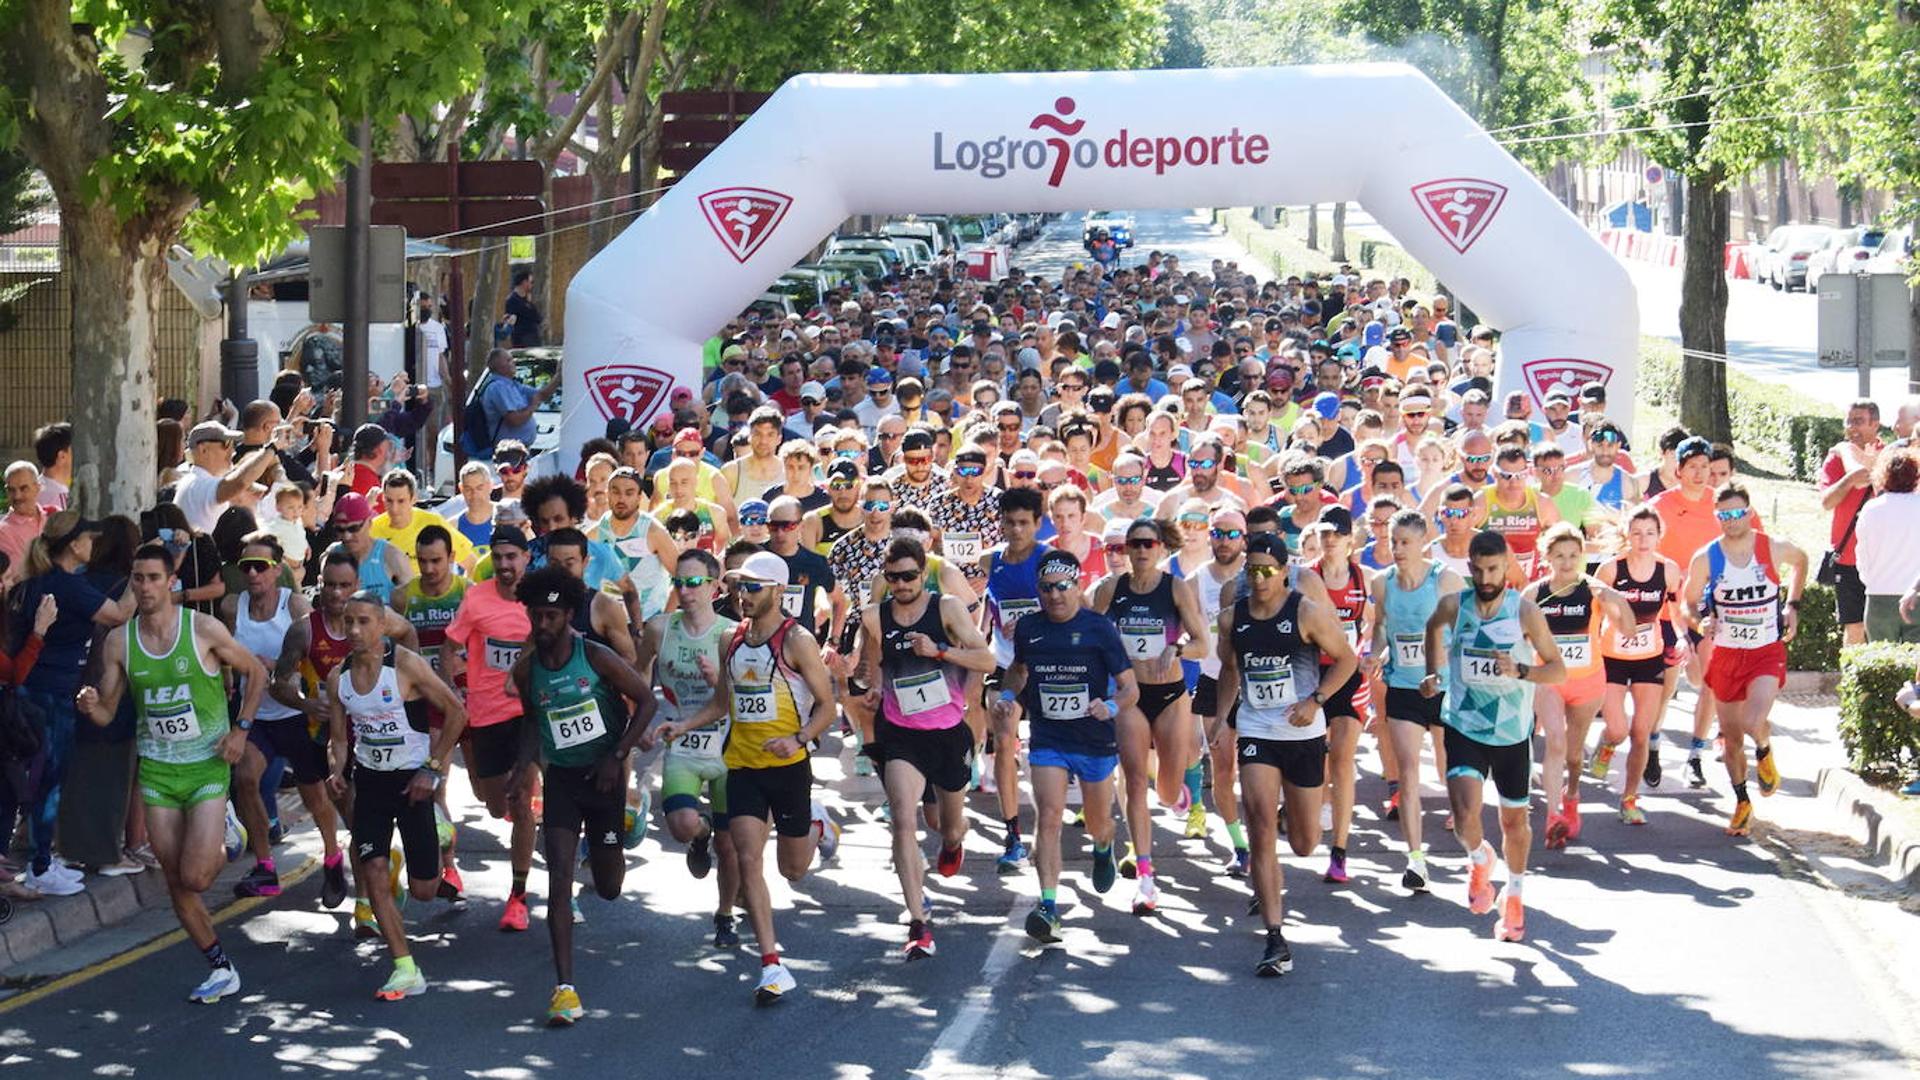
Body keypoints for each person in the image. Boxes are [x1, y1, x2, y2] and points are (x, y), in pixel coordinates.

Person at [75, 540, 269, 1003]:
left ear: (171, 583)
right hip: (158, 772)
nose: (144, 587)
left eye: (153, 578)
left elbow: (256, 673)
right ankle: (220, 967)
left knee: (199, 876)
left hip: (205, 766)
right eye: (137, 579)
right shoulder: (121, 641)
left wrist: (241, 730)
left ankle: (227, 827)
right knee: (177, 880)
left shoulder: (202, 629)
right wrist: (90, 705)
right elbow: (107, 711)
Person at [653, 551, 840, 1004]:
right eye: (739, 586)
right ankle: (771, 964)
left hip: (789, 768)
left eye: (753, 588)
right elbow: (722, 702)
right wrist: (684, 725)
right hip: (742, 767)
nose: (743, 595)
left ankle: (818, 825)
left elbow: (828, 707)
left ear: (778, 591)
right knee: (747, 858)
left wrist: (799, 739)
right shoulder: (730, 640)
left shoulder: (796, 641)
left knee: (792, 869)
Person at [508, 565, 656, 1024]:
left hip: (605, 778)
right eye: (537, 616)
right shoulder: (527, 669)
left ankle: (627, 823)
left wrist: (619, 754)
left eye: (552, 616)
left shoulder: (594, 657)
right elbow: (534, 720)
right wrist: (521, 767)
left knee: (609, 887)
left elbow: (646, 700)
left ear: (569, 615)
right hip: (564, 782)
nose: (543, 624)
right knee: (558, 879)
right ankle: (564, 988)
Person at [1216, 532, 1358, 975]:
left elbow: (1348, 660)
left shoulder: (1306, 612)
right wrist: (1221, 721)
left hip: (1303, 733)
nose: (1257, 579)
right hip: (1258, 729)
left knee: (1303, 843)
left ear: (1283, 572)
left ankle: (1290, 817)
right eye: (1250, 570)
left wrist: (1315, 700)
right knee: (1259, 827)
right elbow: (1229, 670)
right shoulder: (1231, 618)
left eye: (1266, 570)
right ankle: (1275, 938)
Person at [1420, 530, 1566, 943]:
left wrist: (1521, 672)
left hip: (1511, 733)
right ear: (1470, 568)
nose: (1487, 577)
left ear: (1507, 567)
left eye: (1494, 569)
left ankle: (1514, 895)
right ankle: (1480, 857)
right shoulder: (1455, 605)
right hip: (1464, 725)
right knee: (1466, 815)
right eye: (1480, 569)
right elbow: (1433, 627)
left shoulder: (1524, 612)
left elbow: (1558, 669)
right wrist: (1434, 674)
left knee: (1513, 821)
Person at [324, 589, 468, 1001]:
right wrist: (337, 771)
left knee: (425, 891)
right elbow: (339, 737)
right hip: (370, 782)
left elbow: (458, 714)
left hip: (413, 783)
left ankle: (436, 835)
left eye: (364, 621)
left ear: (383, 625)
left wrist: (432, 769)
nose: (354, 630)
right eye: (348, 621)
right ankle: (405, 968)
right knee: (372, 871)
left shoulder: (405, 666)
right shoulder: (339, 679)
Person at [859, 536, 996, 959]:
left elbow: (986, 661)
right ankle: (918, 921)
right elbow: (869, 666)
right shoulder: (875, 617)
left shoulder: (947, 609)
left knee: (947, 826)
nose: (901, 585)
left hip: (946, 732)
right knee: (903, 819)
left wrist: (940, 651)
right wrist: (869, 684)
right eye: (893, 578)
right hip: (901, 733)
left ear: (924, 573)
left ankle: (955, 843)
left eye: (909, 576)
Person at [993, 548, 1136, 944]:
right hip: (1048, 736)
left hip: (1093, 738)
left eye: (1063, 586)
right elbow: (1019, 670)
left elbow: (1130, 688)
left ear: (1078, 586)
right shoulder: (1029, 628)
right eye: (1046, 588)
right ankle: (1049, 906)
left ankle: (1104, 845)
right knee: (1050, 816)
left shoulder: (1099, 629)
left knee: (1097, 822)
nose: (1055, 595)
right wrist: (1008, 696)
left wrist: (1109, 705)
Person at [1089, 517, 1209, 914]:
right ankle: (1146, 878)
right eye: (1133, 545)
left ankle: (1179, 792)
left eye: (1147, 544)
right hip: (1130, 696)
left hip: (1171, 695)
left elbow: (1203, 643)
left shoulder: (1174, 588)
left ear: (1161, 548)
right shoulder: (1111, 589)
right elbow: (1091, 628)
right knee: (1135, 782)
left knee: (1166, 792)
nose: (1140, 551)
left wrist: (1177, 650)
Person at [13, 513, 135, 896]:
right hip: (51, 695)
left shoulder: (37, 582)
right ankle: (40, 866)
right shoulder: (67, 586)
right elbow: (119, 614)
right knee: (48, 779)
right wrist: (144, 576)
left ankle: (44, 861)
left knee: (39, 778)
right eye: (87, 537)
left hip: (34, 692)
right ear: (73, 545)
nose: (93, 544)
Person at [1681, 483, 1808, 837]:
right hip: (1726, 654)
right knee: (1732, 738)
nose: (1731, 521)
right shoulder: (1707, 556)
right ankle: (1741, 802)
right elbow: (1687, 601)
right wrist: (1699, 620)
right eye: (1724, 515)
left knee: (1754, 721)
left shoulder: (1771, 546)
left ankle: (1765, 750)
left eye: (1737, 513)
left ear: (1749, 512)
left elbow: (1802, 561)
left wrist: (1792, 606)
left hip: (1765, 651)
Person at [222, 534, 343, 901]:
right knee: (245, 779)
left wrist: (275, 667)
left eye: (261, 566)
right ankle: (265, 867)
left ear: (276, 570)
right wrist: (231, 675)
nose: (254, 573)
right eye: (247, 567)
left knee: (315, 796)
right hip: (255, 715)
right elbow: (225, 649)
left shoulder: (294, 606)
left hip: (296, 714)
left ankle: (333, 858)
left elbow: (310, 652)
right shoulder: (232, 605)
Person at [635, 550, 743, 948]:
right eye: (679, 582)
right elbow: (639, 676)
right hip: (682, 742)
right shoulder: (660, 628)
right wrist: (642, 726)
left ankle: (725, 916)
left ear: (716, 587)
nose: (685, 590)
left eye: (694, 582)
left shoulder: (733, 634)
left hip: (728, 746)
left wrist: (719, 680)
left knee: (731, 846)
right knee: (681, 826)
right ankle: (701, 835)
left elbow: (740, 698)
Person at [441, 526, 539, 930]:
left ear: (526, 558)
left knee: (519, 800)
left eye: (512, 556)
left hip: (527, 714)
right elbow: (450, 649)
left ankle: (518, 896)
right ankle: (518, 804)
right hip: (485, 713)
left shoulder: (538, 598)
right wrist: (451, 697)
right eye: (498, 557)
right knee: (495, 804)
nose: (504, 565)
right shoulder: (476, 598)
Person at [1366, 508, 1462, 892]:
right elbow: (1381, 629)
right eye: (1393, 541)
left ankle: (1475, 849)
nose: (1399, 549)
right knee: (1407, 772)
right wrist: (1374, 653)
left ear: (1424, 542)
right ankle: (1416, 860)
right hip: (1403, 686)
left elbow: (1464, 629)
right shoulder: (1382, 583)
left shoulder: (1444, 579)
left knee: (1448, 770)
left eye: (1406, 542)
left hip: (1444, 688)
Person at [1527, 524, 1636, 841]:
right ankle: (1552, 815)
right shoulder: (1534, 593)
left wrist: (1616, 597)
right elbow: (1514, 633)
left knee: (1574, 756)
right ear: (1547, 556)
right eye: (1559, 555)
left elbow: (1627, 629)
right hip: (1549, 680)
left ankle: (1571, 794)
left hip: (1587, 682)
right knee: (1555, 745)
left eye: (1573, 555)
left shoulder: (1593, 590)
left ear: (1582, 557)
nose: (1566, 562)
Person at [390, 524, 471, 893]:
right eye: (422, 561)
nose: (430, 569)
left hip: (470, 697)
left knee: (491, 797)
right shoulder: (403, 596)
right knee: (436, 783)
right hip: (425, 700)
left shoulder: (467, 594)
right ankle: (448, 867)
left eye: (437, 561)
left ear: (452, 558)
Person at [981, 486, 1051, 874]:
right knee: (1004, 734)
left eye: (1025, 523)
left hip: (1047, 669)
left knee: (1044, 753)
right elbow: (985, 607)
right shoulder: (990, 561)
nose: (1017, 529)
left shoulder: (1051, 560)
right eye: (1010, 522)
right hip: (1006, 667)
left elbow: (1072, 609)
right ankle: (1012, 833)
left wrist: (1031, 621)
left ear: (1038, 524)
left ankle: (1049, 828)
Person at [1303, 511, 1372, 884]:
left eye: (1338, 533)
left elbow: (1379, 622)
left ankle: (1340, 849)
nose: (1331, 539)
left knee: (1343, 758)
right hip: (1311, 674)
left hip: (1347, 676)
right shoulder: (1305, 577)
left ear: (1351, 540)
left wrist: (1375, 651)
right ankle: (1305, 814)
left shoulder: (1365, 579)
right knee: (1314, 757)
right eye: (1325, 532)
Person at [1818, 400, 1881, 646]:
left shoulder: (1887, 454)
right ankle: (1853, 682)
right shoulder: (1835, 458)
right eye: (1849, 421)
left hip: (1883, 557)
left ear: (1875, 424)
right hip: (1848, 558)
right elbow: (1826, 502)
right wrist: (1848, 479)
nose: (1851, 428)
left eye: (1859, 421)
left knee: (1882, 627)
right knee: (1854, 627)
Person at [172, 421, 279, 535]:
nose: (232, 451)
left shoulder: (196, 479)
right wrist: (273, 447)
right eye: (226, 444)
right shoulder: (199, 482)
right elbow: (240, 482)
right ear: (203, 449)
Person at [369, 470, 475, 573]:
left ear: (414, 499)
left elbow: (472, 564)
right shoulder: (371, 529)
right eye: (389, 500)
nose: (394, 508)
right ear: (383, 498)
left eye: (401, 501)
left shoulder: (433, 524)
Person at [326, 492, 414, 604]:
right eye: (340, 530)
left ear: (369, 523)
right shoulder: (331, 555)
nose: (347, 536)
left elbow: (414, 603)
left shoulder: (391, 556)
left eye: (354, 528)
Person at [480, 347, 559, 449]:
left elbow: (541, 395)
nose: (513, 363)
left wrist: (558, 377)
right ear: (498, 366)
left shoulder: (513, 385)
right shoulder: (498, 388)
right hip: (508, 451)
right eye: (508, 360)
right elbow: (515, 420)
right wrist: (533, 406)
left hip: (521, 449)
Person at [504, 270, 544, 347]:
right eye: (530, 282)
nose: (531, 285)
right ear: (524, 282)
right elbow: (510, 320)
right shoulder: (512, 300)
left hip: (533, 337)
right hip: (522, 339)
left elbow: (537, 318)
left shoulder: (527, 300)